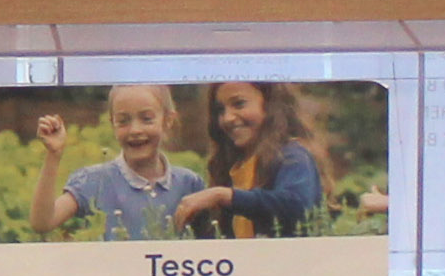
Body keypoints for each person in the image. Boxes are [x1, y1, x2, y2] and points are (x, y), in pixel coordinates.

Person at [27, 83, 208, 241]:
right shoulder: (94, 180)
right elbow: (43, 222)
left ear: (167, 120)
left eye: (146, 119)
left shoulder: (189, 183)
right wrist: (54, 155)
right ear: (112, 123)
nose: (135, 130)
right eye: (123, 121)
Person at [179, 77, 324, 237]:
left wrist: (223, 196)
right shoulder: (233, 167)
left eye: (239, 104)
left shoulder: (292, 156)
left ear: (270, 105)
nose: (228, 118)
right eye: (220, 110)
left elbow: (297, 206)